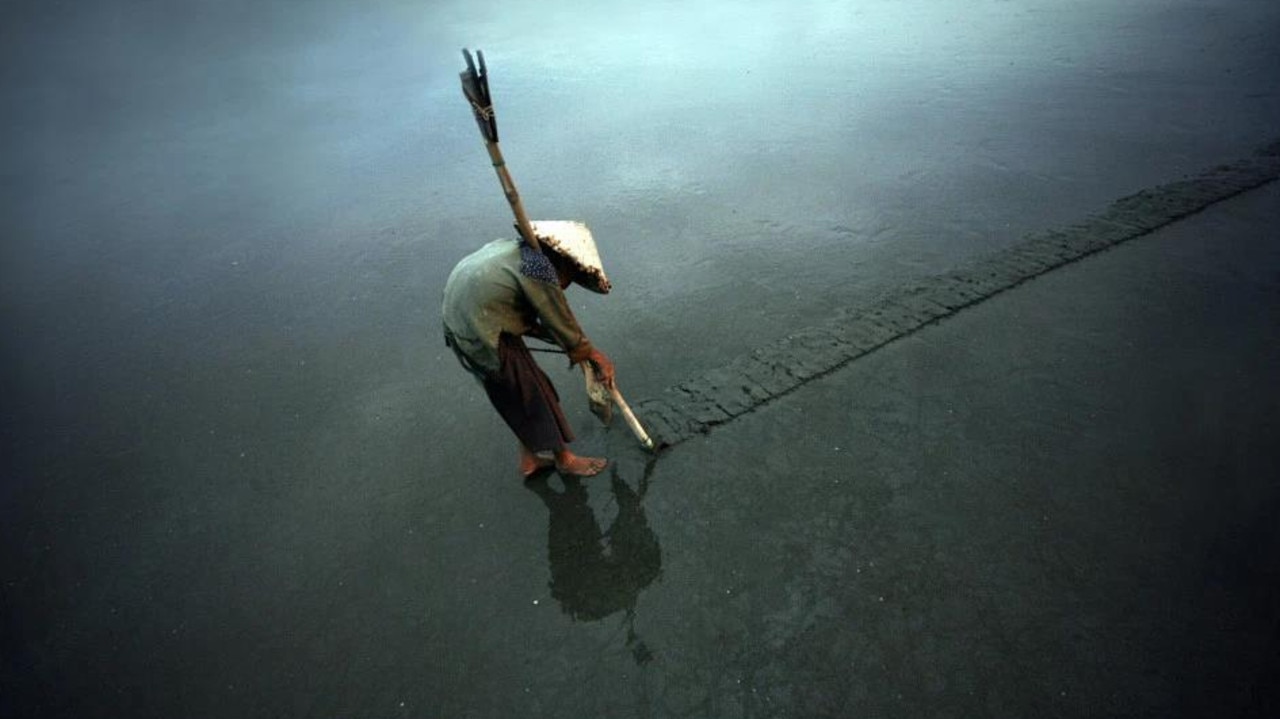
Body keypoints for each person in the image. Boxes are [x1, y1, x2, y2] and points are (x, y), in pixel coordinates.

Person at [442, 221, 616, 478]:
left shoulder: (516, 250)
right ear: (564, 261)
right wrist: (592, 354)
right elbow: (559, 321)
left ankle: (529, 458)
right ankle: (565, 460)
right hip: (483, 333)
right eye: (572, 276)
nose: (567, 286)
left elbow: (535, 322)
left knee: (518, 394)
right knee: (535, 395)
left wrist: (577, 349)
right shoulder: (540, 270)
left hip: (464, 321)